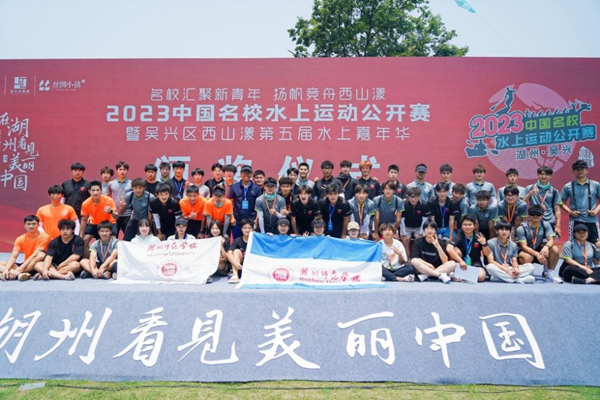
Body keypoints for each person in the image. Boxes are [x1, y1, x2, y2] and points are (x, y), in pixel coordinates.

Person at [517, 205, 562, 283]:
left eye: (538, 214)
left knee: (554, 249)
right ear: (528, 215)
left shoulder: (545, 225)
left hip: (539, 250)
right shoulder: (521, 228)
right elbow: (524, 246)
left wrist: (546, 247)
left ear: (542, 215)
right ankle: (527, 273)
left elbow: (551, 240)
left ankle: (549, 272)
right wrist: (537, 254)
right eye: (533, 214)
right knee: (526, 257)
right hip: (526, 252)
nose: (535, 216)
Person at [0, 215, 51, 282]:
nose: (31, 226)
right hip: (26, 264)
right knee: (4, 264)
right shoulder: (20, 239)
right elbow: (13, 257)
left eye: (34, 224)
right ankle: (17, 275)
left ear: (38, 225)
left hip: (37, 265)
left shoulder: (45, 237)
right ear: (24, 225)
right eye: (28, 224)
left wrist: (19, 270)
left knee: (41, 255)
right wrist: (6, 269)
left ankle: (13, 273)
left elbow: (34, 255)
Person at [560, 160, 600, 244]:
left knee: (596, 244)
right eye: (577, 169)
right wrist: (570, 212)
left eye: (582, 169)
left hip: (592, 220)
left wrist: (596, 211)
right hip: (576, 220)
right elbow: (561, 202)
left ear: (586, 170)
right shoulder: (568, 186)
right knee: (574, 244)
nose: (580, 171)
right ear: (573, 171)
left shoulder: (595, 185)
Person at [80, 180, 119, 257]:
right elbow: (84, 220)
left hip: (109, 223)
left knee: (113, 241)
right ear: (89, 191)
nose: (95, 192)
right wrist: (81, 236)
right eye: (93, 190)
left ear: (101, 191)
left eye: (98, 190)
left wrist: (111, 211)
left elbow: (116, 217)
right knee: (84, 240)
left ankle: (111, 260)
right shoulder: (85, 203)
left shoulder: (108, 200)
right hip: (94, 223)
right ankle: (87, 259)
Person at [446, 215, 490, 282]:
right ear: (461, 226)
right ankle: (458, 272)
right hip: (461, 263)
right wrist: (460, 261)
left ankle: (463, 275)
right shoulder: (458, 236)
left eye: (470, 224)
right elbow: (448, 248)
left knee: (481, 277)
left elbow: (487, 253)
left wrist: (484, 243)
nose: (467, 227)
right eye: (465, 225)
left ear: (474, 226)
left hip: (475, 262)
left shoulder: (479, 236)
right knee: (455, 250)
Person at [523, 166, 562, 237]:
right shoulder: (530, 188)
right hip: (533, 219)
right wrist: (529, 195)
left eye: (547, 174)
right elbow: (522, 204)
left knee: (549, 242)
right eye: (541, 174)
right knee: (533, 242)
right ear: (537, 175)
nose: (544, 176)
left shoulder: (554, 191)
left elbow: (557, 210)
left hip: (549, 220)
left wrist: (558, 226)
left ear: (550, 176)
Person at [228, 165, 262, 238]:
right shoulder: (234, 187)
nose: (246, 175)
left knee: (250, 240)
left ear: (251, 174)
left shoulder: (256, 188)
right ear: (240, 174)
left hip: (251, 219)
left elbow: (259, 205)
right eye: (244, 173)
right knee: (237, 240)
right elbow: (230, 202)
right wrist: (232, 217)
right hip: (237, 219)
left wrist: (256, 218)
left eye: (248, 173)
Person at [107, 161, 132, 235]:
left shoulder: (131, 183)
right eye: (120, 169)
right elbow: (108, 198)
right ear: (116, 171)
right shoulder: (111, 184)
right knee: (113, 236)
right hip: (114, 214)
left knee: (128, 236)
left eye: (124, 169)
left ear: (127, 171)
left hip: (127, 214)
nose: (122, 171)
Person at [401, 187, 427, 259]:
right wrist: (404, 234)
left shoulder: (424, 204)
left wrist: (421, 233)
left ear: (419, 196)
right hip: (406, 227)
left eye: (415, 197)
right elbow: (401, 221)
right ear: (407, 197)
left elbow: (424, 221)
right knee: (405, 242)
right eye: (411, 197)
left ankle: (419, 260)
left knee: (421, 242)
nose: (413, 199)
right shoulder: (404, 205)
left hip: (419, 227)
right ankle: (407, 261)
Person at [227, 218, 253, 284]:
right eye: (245, 228)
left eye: (249, 228)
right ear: (241, 229)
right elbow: (229, 253)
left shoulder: (256, 240)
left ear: (252, 229)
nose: (247, 230)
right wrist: (235, 263)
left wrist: (269, 236)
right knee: (236, 251)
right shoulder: (237, 240)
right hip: (240, 267)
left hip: (252, 266)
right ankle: (235, 275)